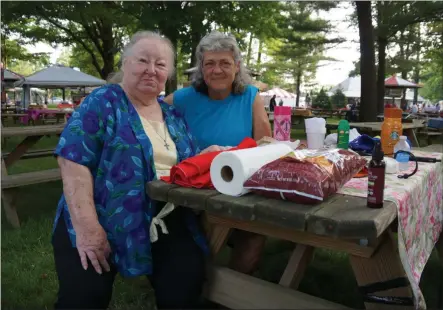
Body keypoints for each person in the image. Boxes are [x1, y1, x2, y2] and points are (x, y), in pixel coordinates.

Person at [52, 31, 212, 310]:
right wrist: (88, 228)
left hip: (162, 217)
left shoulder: (173, 115)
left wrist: (213, 154)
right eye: (142, 61)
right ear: (125, 64)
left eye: (160, 65)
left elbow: (188, 163)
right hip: (100, 214)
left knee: (186, 282)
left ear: (168, 74)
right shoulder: (103, 101)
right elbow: (72, 160)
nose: (151, 70)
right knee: (84, 298)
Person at [164, 31, 272, 275]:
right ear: (201, 68)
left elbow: (265, 144)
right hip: (193, 190)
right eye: (210, 63)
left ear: (237, 66)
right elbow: (148, 111)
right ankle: (195, 281)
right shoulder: (183, 98)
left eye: (225, 62)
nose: (217, 70)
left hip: (240, 189)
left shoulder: (251, 97)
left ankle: (228, 292)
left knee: (253, 236)